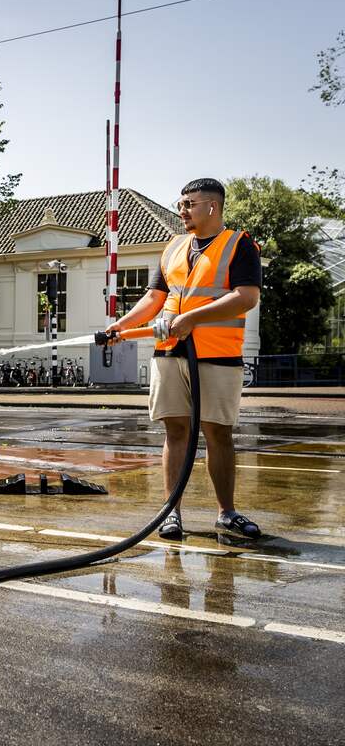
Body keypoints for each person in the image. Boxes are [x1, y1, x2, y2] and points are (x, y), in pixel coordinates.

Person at [105, 178, 262, 541]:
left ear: (212, 206)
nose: (182, 210)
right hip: (170, 353)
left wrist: (192, 318)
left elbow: (246, 297)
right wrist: (121, 325)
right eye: (180, 203)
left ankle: (226, 513)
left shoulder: (239, 245)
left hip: (217, 355)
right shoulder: (173, 247)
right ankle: (171, 512)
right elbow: (154, 299)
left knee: (217, 433)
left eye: (189, 203)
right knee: (175, 431)